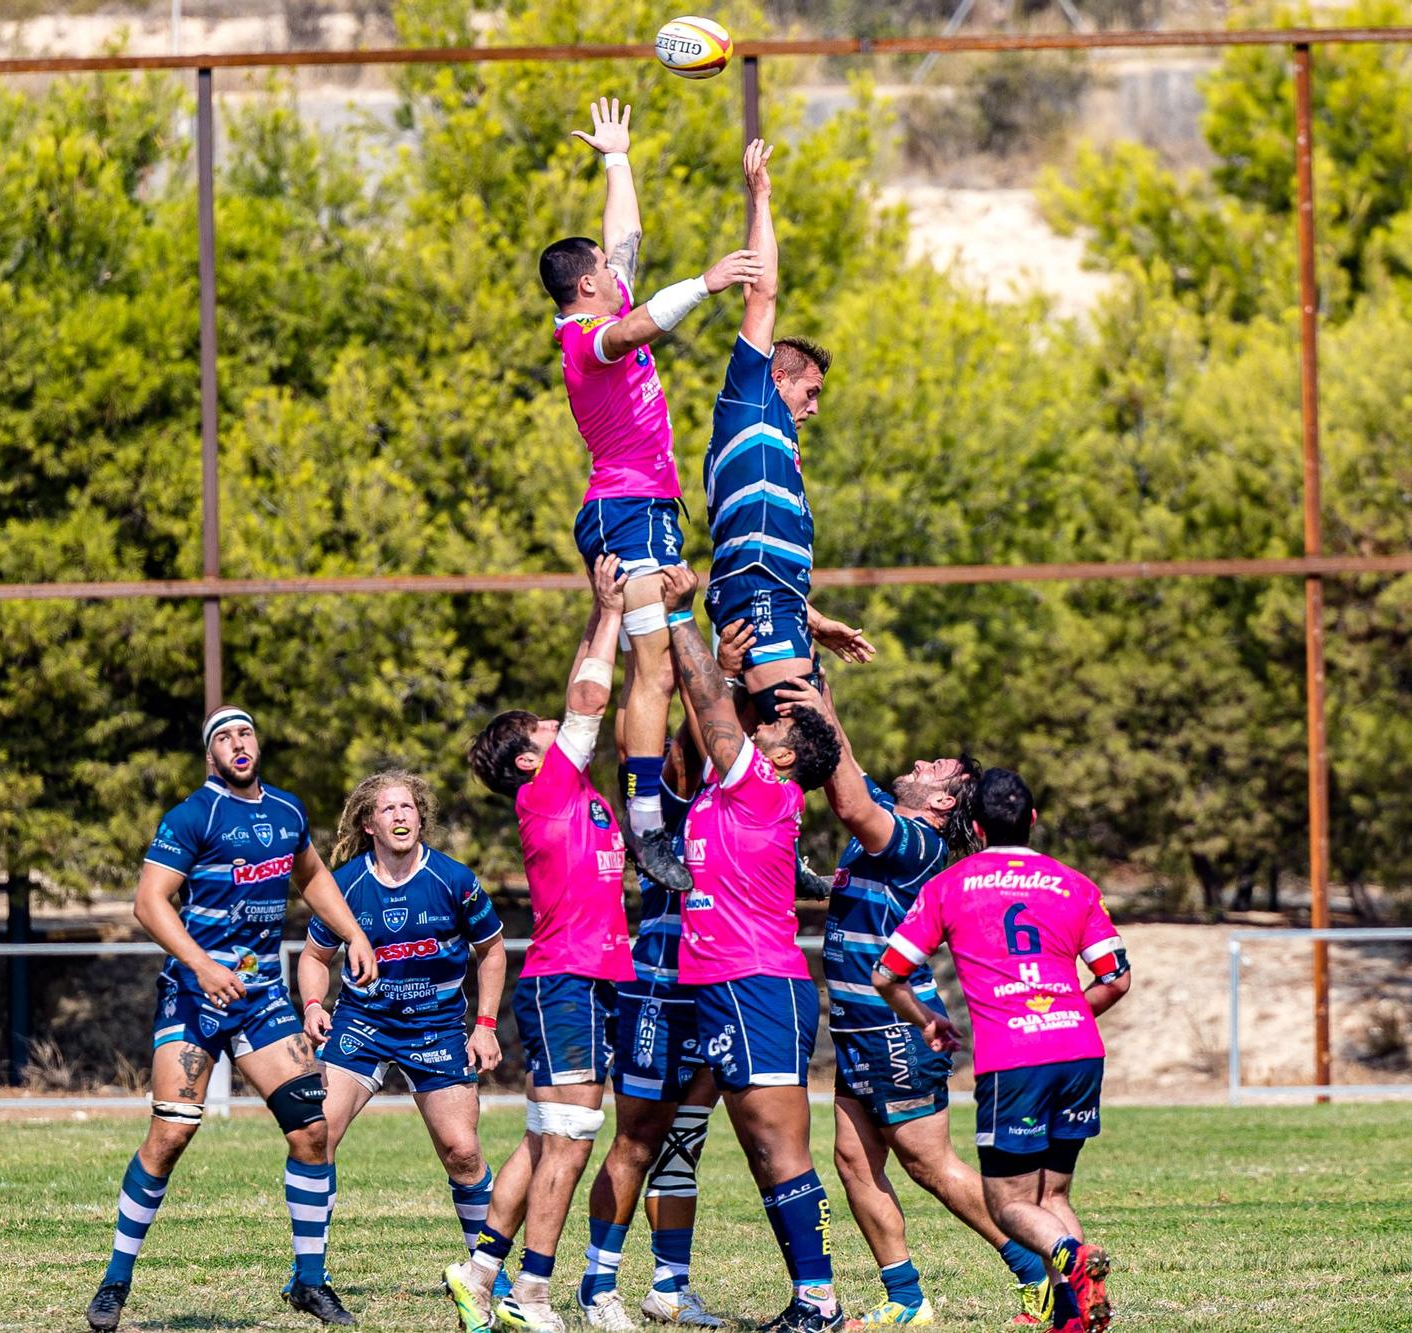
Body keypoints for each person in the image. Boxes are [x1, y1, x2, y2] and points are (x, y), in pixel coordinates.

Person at [87, 708, 379, 1332]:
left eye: (244, 733)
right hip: (194, 996)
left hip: (263, 995)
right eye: (223, 737)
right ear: (210, 753)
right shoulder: (195, 814)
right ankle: (116, 1281)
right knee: (171, 1134)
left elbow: (314, 877)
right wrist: (200, 965)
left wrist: (354, 931)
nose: (237, 743)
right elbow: (148, 902)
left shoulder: (287, 811)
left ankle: (309, 1282)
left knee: (312, 1132)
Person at [775, 685, 1056, 1328]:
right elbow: (840, 759)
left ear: (942, 801)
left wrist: (811, 706)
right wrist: (816, 687)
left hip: (897, 1028)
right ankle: (906, 1298)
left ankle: (1035, 1270)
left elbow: (843, 795)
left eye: (937, 768)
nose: (923, 761)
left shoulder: (913, 842)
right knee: (852, 1160)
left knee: (930, 1165)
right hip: (857, 1026)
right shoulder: (893, 816)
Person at [544, 96, 762, 890]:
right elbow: (640, 329)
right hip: (624, 510)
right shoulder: (586, 339)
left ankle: (653, 813)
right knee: (655, 669)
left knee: (668, 666)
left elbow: (626, 234)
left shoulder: (607, 296)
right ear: (586, 285)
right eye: (604, 267)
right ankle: (645, 828)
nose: (616, 265)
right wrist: (706, 282)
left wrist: (616, 158)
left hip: (648, 511)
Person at [872, 770, 1132, 1333]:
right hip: (1080, 1050)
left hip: (1015, 1059)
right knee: (1053, 1191)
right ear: (1033, 821)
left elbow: (887, 974)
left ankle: (1072, 1258)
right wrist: (1060, 1016)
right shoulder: (1075, 883)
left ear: (979, 826)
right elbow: (1115, 978)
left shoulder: (950, 885)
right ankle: (1071, 1316)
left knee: (1009, 1205)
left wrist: (929, 1021)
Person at [449, 556, 638, 1333]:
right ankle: (531, 1295)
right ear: (529, 758)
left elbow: (577, 694)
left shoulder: (568, 786)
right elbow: (588, 697)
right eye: (543, 729)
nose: (559, 726)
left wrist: (599, 614)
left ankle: (479, 1270)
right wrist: (614, 613)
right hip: (569, 977)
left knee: (544, 1136)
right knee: (570, 1141)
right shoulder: (548, 786)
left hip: (590, 975)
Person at [658, 564, 847, 1333]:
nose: (757, 723)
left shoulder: (764, 788)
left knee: (780, 1148)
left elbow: (708, 703)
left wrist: (679, 620)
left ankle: (821, 1298)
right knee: (762, 1150)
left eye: (770, 725)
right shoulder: (727, 788)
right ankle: (810, 1297)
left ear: (786, 754)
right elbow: (688, 743)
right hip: (727, 984)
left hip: (755, 982)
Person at [297, 769, 508, 1288]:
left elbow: (493, 951)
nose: (400, 816)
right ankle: (309, 1278)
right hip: (362, 1025)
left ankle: (485, 1275)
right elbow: (313, 956)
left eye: (408, 808)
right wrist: (311, 1004)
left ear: (420, 818)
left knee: (463, 1152)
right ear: (369, 822)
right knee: (315, 1137)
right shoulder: (344, 884)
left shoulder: (453, 880)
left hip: (435, 1028)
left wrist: (483, 1026)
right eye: (388, 809)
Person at [700, 139, 873, 722]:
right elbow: (763, 292)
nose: (815, 407)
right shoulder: (751, 397)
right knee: (799, 738)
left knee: (783, 750)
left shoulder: (780, 445)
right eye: (811, 390)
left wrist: (816, 621)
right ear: (778, 376)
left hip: (779, 602)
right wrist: (762, 199)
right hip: (758, 596)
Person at [576, 728, 725, 1330]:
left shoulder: (734, 802)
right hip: (659, 988)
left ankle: (670, 1287)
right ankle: (597, 1286)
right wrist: (723, 666)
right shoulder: (662, 807)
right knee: (637, 1141)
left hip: (720, 983)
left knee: (684, 1146)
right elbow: (692, 740)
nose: (672, 753)